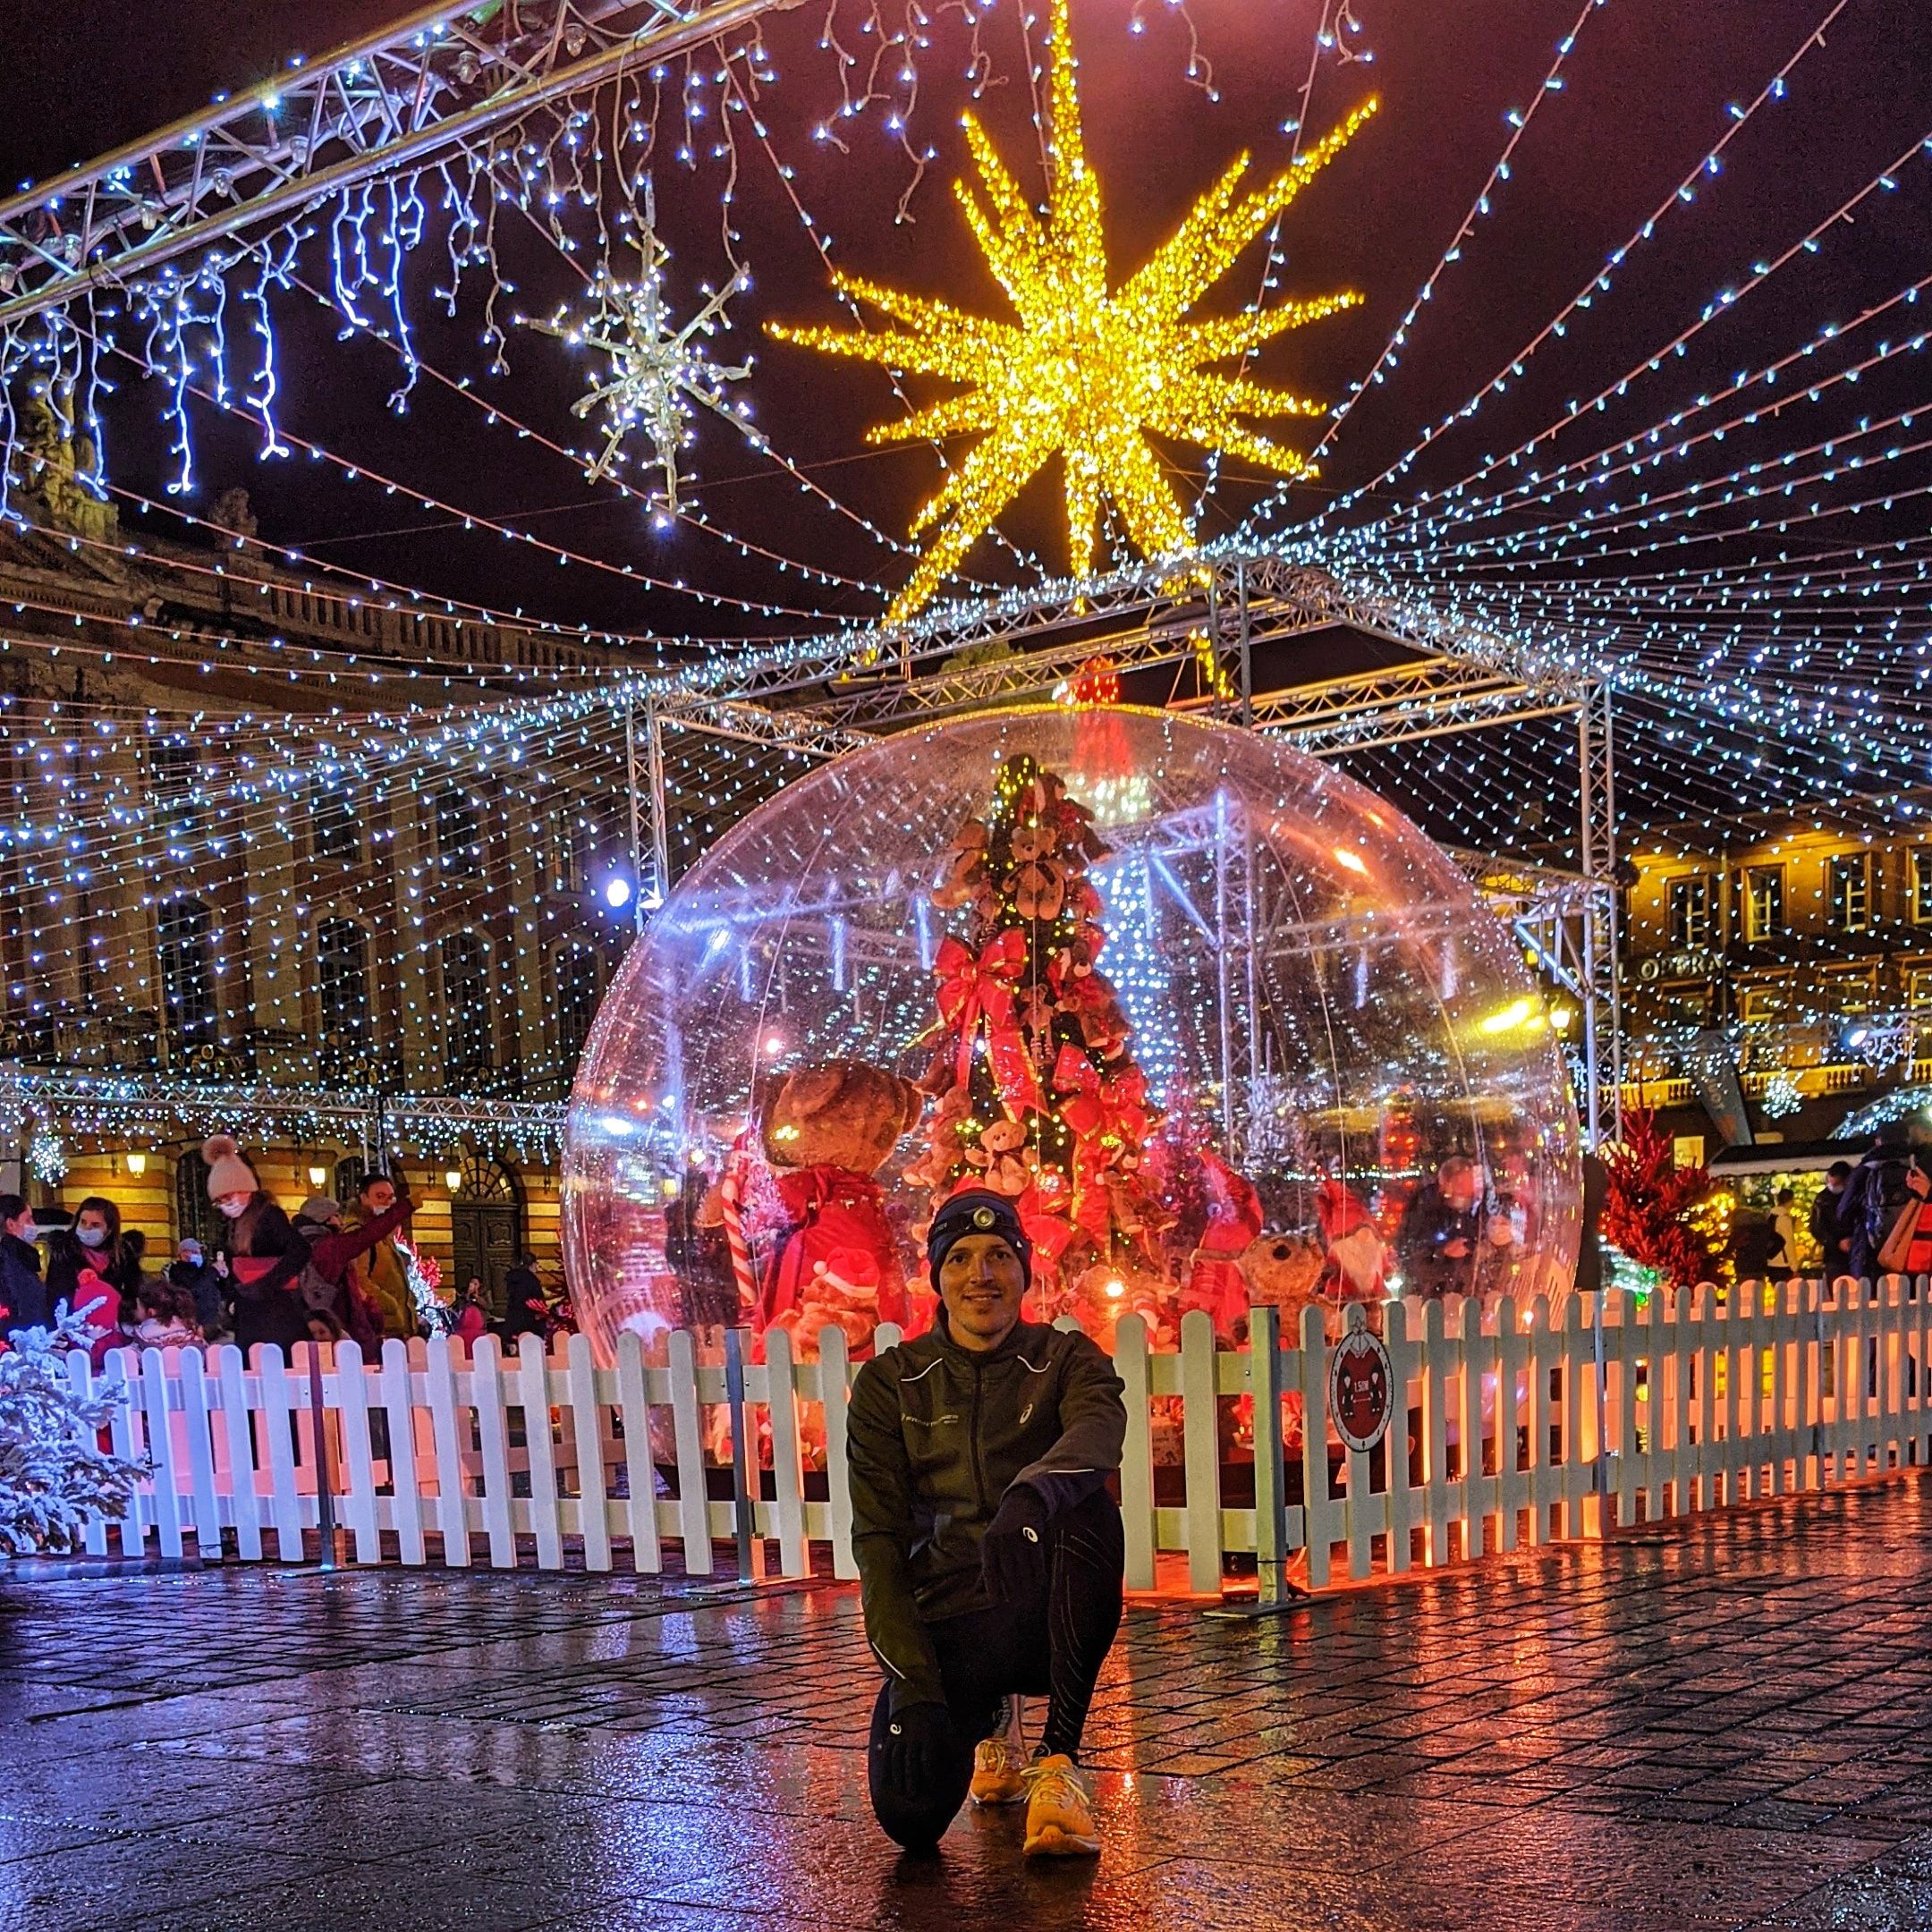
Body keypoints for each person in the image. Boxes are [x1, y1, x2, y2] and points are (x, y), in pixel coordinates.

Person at [847, 1189, 1127, 1859]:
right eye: (962, 1258)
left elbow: (1098, 1428)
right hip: (951, 1622)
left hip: (1040, 1611)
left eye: (1000, 1255)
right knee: (908, 1817)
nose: (982, 1275)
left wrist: (1031, 1499)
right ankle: (989, 1723)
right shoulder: (893, 1382)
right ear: (938, 1276)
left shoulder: (1065, 1360)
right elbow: (878, 1542)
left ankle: (1058, 1762)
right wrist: (912, 1685)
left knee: (1085, 1506)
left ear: (1025, 1272)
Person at [204, 1134, 308, 1360]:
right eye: (220, 1201)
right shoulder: (233, 1225)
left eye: (227, 1197)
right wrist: (231, 1294)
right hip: (251, 1313)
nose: (226, 1205)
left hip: (276, 1315)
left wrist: (266, 1284)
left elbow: (300, 1250)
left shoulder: (268, 1216)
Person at [1395, 1157, 1487, 1300]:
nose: (1466, 1190)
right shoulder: (1424, 1209)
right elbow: (1411, 1255)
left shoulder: (1477, 1211)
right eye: (1460, 1183)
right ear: (1445, 1183)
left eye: (1470, 1184)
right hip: (1426, 1298)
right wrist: (1442, 1252)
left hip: (1467, 1298)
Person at [343, 1171, 416, 1342]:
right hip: (379, 1329)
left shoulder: (384, 1234)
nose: (387, 1202)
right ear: (364, 1198)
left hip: (395, 1328)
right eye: (380, 1196)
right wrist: (390, 1305)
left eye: (391, 1198)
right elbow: (358, 1280)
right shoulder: (359, 1234)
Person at [45, 1197, 141, 1319]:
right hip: (73, 1327)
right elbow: (54, 1297)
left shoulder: (124, 1257)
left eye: (95, 1225)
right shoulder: (64, 1253)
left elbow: (132, 1295)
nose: (87, 1228)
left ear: (109, 1230)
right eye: (83, 1222)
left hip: (112, 1327)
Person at [1841, 1130, 1917, 1284]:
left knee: (1870, 1300)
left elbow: (1843, 1212)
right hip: (1910, 1248)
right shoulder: (1917, 1165)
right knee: (1914, 1299)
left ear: (1878, 1141)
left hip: (1869, 1247)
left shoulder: (1864, 1170)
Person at [0, 1194, 47, 1335]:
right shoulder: (11, 1259)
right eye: (28, 1219)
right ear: (11, 1224)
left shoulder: (21, 1257)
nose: (33, 1225)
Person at [167, 1238, 224, 1339]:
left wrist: (223, 1276)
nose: (198, 1255)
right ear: (183, 1254)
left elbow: (218, 1289)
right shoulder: (177, 1271)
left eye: (199, 1252)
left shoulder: (204, 1269)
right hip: (195, 1324)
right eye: (194, 1252)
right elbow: (194, 1289)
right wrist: (214, 1272)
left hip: (212, 1322)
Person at [1811, 1161, 1854, 1281]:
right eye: (1831, 1183)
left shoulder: (1857, 1196)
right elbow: (1817, 1228)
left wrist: (1853, 1239)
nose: (1833, 1187)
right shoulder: (1822, 1200)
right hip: (1834, 1257)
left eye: (1837, 1183)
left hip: (1856, 1253)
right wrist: (1837, 1243)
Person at [131, 1279, 201, 1348]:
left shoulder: (143, 1337)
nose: (134, 1310)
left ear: (151, 1312)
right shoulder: (187, 1330)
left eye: (137, 1307)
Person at [1767, 1189, 1798, 1284]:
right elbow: (1788, 1243)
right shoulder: (1784, 1219)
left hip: (1770, 1261)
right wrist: (1794, 1266)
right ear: (1790, 1201)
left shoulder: (1770, 1216)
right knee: (1784, 1294)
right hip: (1783, 1263)